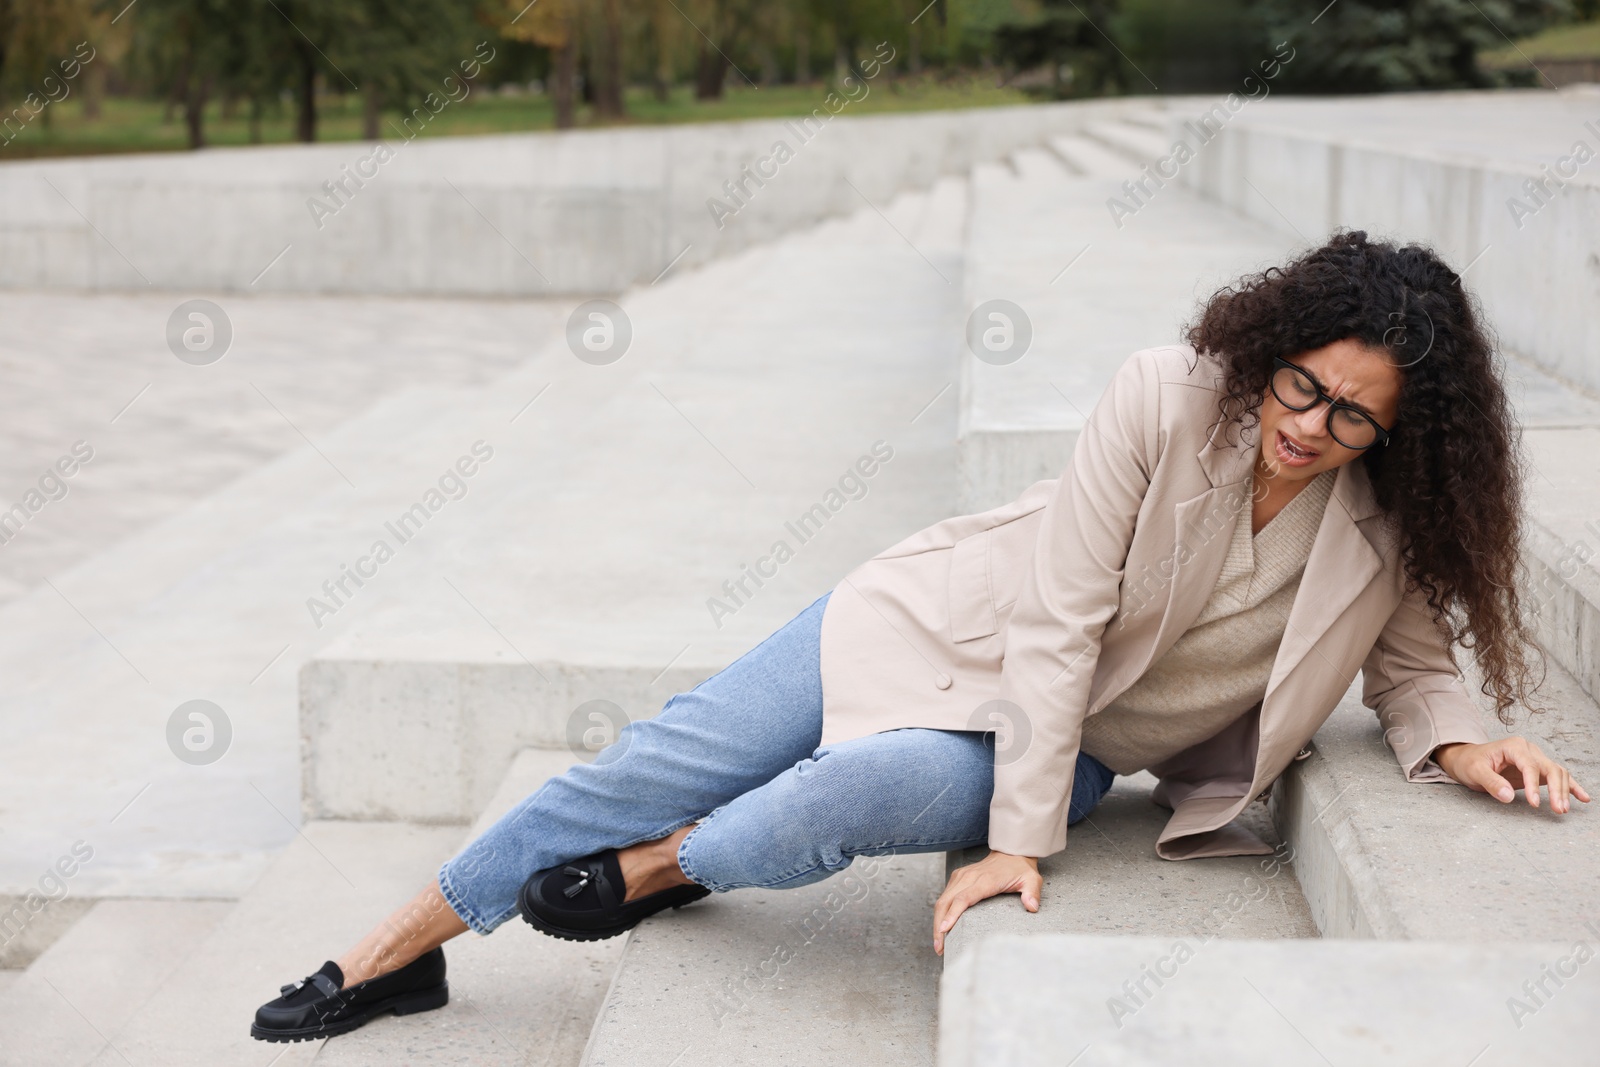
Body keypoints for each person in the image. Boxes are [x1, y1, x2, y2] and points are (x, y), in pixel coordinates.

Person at [250, 230, 1587, 1043]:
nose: (1311, 424)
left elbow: (1409, 664)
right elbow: (1062, 614)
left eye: (1353, 414)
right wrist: (1011, 848)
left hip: (1068, 746)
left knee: (814, 809)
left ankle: (665, 871)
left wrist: (1462, 741)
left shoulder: (1386, 518)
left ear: (1399, 430)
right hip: (938, 624)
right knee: (655, 756)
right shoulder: (1167, 398)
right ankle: (391, 957)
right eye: (1305, 384)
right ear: (1277, 351)